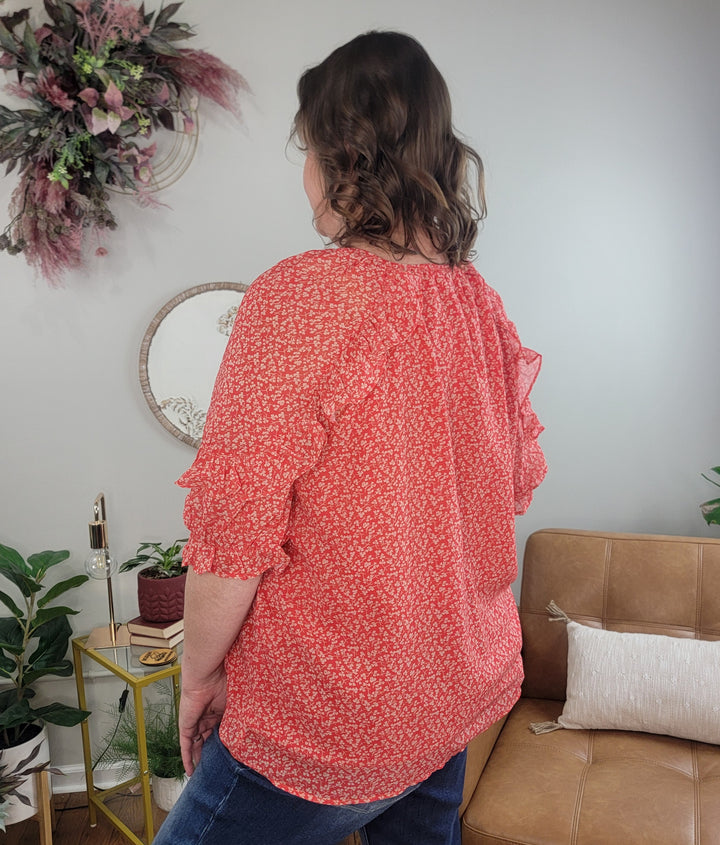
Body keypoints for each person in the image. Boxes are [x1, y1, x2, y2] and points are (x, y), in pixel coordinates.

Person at [154, 30, 546, 845]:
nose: (304, 174)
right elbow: (496, 492)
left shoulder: (300, 299)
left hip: (327, 711)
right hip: (445, 693)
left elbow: (234, 523)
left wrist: (196, 675)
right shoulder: (476, 302)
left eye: (307, 149)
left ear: (344, 156)